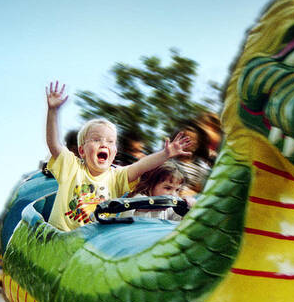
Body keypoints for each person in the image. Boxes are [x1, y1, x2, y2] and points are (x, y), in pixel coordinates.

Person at [45, 81, 192, 230]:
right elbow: (54, 145)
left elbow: (141, 165)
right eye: (96, 139)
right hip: (63, 235)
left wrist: (166, 153)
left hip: (93, 241)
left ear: (114, 153)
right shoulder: (71, 166)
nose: (104, 144)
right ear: (82, 150)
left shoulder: (116, 177)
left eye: (110, 142)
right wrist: (53, 112)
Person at [122, 161, 190, 221]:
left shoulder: (168, 206)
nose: (174, 194)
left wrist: (188, 210)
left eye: (177, 190)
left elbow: (177, 222)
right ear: (151, 184)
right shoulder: (139, 199)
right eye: (168, 188)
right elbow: (125, 218)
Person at [173, 121, 212, 197]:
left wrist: (193, 193)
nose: (189, 144)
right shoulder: (169, 160)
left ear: (197, 145)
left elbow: (201, 189)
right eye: (186, 140)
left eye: (194, 142)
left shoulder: (200, 166)